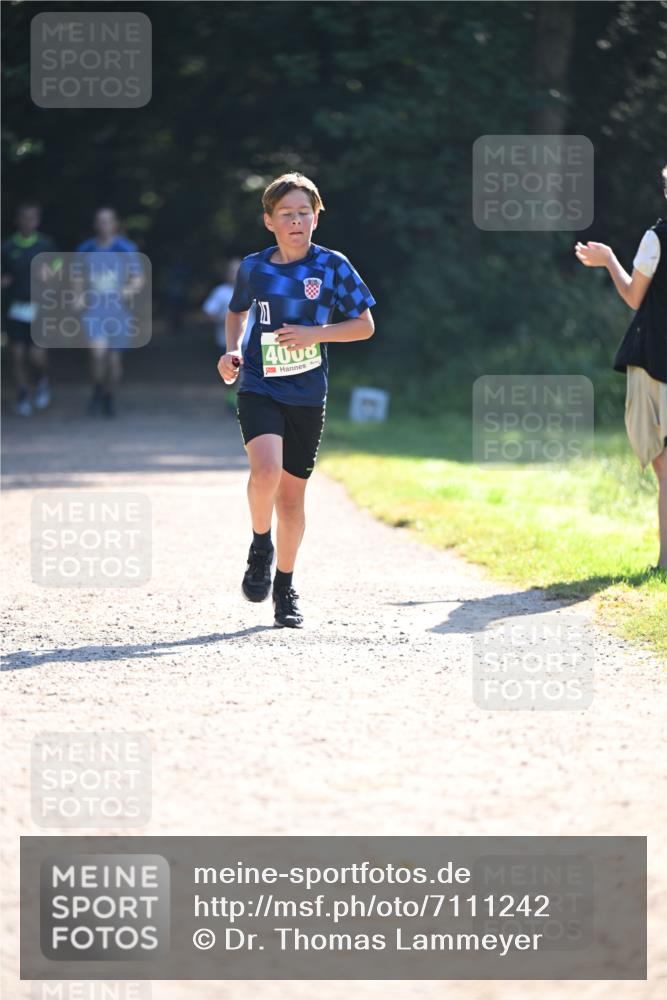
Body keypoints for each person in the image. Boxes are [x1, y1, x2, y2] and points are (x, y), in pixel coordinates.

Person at [217, 172, 376, 627]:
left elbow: (364, 325)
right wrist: (231, 351)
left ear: (316, 218)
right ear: (269, 221)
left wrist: (315, 334)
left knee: (291, 499)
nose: (296, 221)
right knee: (264, 469)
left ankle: (285, 587)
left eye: (304, 213)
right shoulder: (255, 267)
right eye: (286, 214)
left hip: (307, 392)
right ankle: (260, 544)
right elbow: (236, 312)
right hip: (259, 385)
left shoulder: (332, 266)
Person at [575, 164, 667, 570]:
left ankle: (665, 563)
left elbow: (633, 297)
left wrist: (609, 258)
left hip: (656, 361)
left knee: (665, 469)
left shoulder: (657, 238)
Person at [75, 207, 143, 417]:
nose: (104, 225)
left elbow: (139, 279)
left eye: (108, 221)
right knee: (97, 355)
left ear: (115, 224)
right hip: (94, 309)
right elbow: (77, 277)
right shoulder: (85, 248)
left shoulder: (126, 248)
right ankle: (97, 388)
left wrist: (126, 291)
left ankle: (108, 396)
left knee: (114, 363)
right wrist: (78, 297)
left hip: (119, 311)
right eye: (100, 221)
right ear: (95, 224)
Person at [1, 202, 56, 416]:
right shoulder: (6, 247)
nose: (28, 222)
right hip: (15, 308)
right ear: (17, 220)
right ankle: (23, 393)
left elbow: (60, 270)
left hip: (40, 307)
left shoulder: (46, 244)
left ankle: (42, 381)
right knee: (16, 355)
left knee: (37, 356)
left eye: (32, 218)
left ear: (38, 220)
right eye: (24, 217)